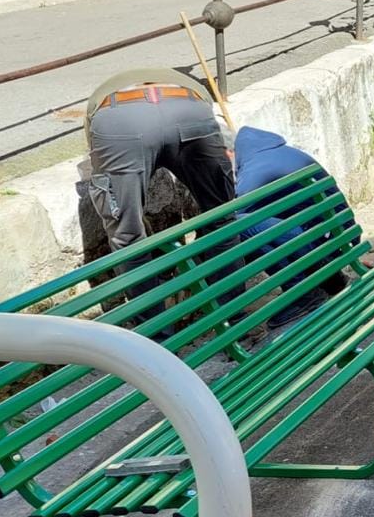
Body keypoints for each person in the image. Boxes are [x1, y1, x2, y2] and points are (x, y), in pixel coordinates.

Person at [84, 68, 235, 255]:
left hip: (120, 117)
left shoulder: (100, 102)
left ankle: (143, 273)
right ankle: (225, 271)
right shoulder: (181, 81)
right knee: (221, 219)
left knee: (127, 237)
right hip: (189, 105)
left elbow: (100, 163)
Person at [234, 127, 350, 326]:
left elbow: (231, 222)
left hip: (319, 246)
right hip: (340, 242)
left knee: (242, 229)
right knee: (266, 223)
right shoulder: (289, 153)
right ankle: (328, 276)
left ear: (231, 153)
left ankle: (302, 294)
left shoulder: (252, 173)